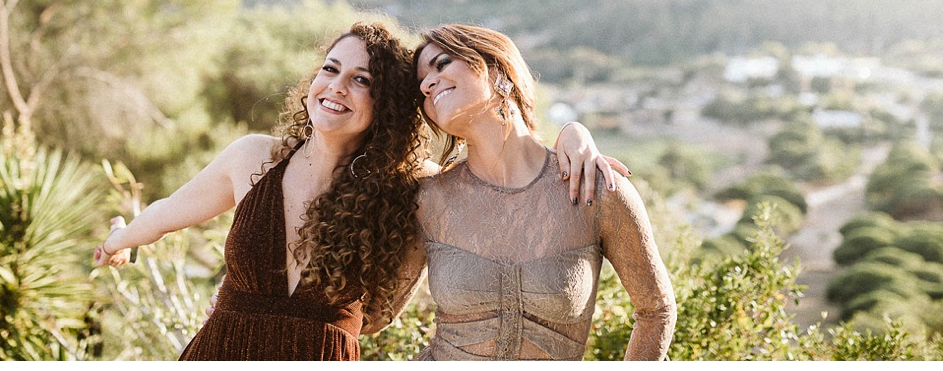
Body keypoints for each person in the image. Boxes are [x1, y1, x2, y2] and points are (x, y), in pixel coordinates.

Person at [92, 21, 616, 361]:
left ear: (383, 104)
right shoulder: (255, 157)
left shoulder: (413, 188)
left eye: (361, 80)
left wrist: (574, 137)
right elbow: (167, 212)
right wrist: (122, 239)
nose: (337, 87)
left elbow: (501, 167)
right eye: (331, 69)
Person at [409, 24, 677, 361]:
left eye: (442, 63)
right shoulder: (429, 199)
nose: (426, 84)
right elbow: (375, 312)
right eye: (420, 85)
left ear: (497, 67)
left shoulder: (595, 190)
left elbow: (656, 310)